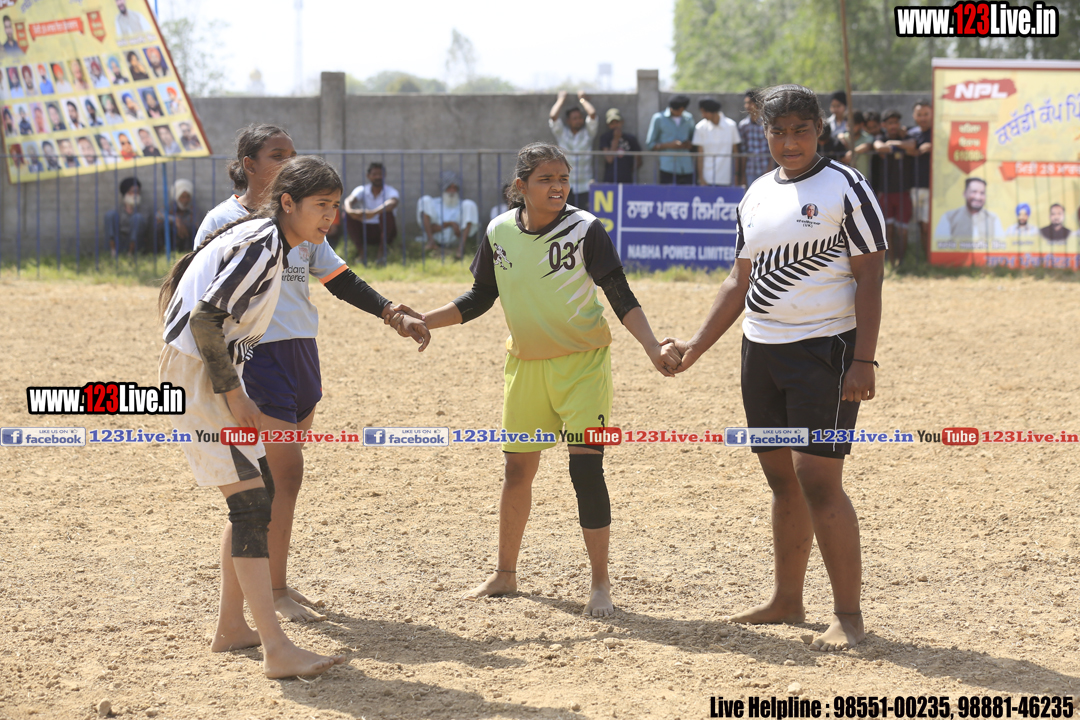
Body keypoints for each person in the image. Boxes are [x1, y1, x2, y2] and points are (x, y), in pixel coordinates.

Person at [663, 83, 886, 652]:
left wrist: (863, 360)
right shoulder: (757, 193)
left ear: (819, 130)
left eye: (800, 131)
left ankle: (849, 617)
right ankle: (788, 600)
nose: (789, 142)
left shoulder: (847, 187)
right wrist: (694, 346)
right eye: (778, 132)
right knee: (781, 479)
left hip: (826, 352)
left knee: (818, 480)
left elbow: (870, 277)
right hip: (760, 351)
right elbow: (738, 281)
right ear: (764, 133)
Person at [417, 142, 680, 617]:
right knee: (517, 471)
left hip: (583, 367)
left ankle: (600, 584)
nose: (558, 186)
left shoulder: (586, 229)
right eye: (546, 179)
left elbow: (620, 294)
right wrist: (424, 320)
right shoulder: (499, 231)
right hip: (526, 367)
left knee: (586, 470)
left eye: (563, 178)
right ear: (521, 186)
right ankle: (505, 574)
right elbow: (480, 296)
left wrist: (651, 346)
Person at [194, 124, 428, 622]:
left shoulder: (305, 220)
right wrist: (225, 381)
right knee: (271, 481)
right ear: (249, 164)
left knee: (284, 483)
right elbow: (203, 303)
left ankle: (275, 584)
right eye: (277, 154)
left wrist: (391, 312)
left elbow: (339, 278)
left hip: (301, 353)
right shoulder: (225, 221)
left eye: (292, 154)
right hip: (256, 357)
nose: (288, 161)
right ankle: (259, 603)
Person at [156, 155, 351, 678]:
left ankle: (231, 628)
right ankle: (275, 648)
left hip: (210, 367)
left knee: (254, 497)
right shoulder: (263, 246)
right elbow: (204, 321)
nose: (330, 217)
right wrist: (236, 396)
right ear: (287, 203)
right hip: (200, 373)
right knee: (251, 505)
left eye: (335, 206)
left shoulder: (270, 239)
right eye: (321, 205)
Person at [872, 110, 915, 266]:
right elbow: (879, 147)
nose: (893, 126)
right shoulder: (880, 138)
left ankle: (901, 262)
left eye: (896, 122)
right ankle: (891, 262)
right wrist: (900, 148)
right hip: (886, 192)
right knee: (888, 229)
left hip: (903, 191)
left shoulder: (905, 137)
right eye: (890, 123)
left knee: (902, 229)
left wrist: (892, 145)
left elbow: (912, 145)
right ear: (884, 125)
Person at [548, 91, 598, 208]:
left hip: (585, 186)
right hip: (565, 186)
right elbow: (553, 116)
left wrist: (582, 100)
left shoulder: (588, 133)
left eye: (580, 118)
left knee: (584, 217)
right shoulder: (562, 134)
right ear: (568, 121)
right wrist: (561, 99)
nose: (578, 120)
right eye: (575, 118)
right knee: (564, 216)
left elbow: (592, 114)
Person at [343, 161, 400, 262]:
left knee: (387, 214)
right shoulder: (362, 189)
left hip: (384, 231)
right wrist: (350, 211)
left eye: (380, 174)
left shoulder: (391, 191)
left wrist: (373, 213)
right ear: (368, 176)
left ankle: (381, 254)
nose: (378, 177)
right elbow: (348, 200)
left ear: (385, 175)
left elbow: (393, 202)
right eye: (374, 174)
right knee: (346, 215)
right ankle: (361, 253)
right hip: (365, 231)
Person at [418, 171, 479, 261]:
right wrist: (450, 224)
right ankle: (431, 242)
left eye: (455, 188)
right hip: (437, 239)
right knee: (425, 199)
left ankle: (461, 248)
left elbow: (459, 233)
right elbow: (431, 228)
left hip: (455, 241)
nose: (452, 191)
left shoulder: (463, 206)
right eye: (449, 187)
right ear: (443, 188)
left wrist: (446, 226)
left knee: (469, 204)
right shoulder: (433, 204)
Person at [933, 177, 1004, 250]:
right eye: (974, 192)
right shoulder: (949, 217)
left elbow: (1001, 246)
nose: (978, 197)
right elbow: (940, 245)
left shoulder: (993, 218)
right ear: (964, 194)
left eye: (982, 193)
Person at [646, 95, 695, 184]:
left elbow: (693, 140)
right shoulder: (659, 118)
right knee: (667, 193)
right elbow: (650, 144)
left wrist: (688, 144)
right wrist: (669, 145)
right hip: (668, 167)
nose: (678, 112)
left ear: (683, 109)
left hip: (686, 167)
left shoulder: (689, 118)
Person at [693, 97, 740, 186]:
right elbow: (700, 155)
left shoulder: (731, 126)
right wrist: (701, 178)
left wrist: (736, 176)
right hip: (707, 179)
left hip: (727, 179)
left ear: (713, 111)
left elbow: (736, 153)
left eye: (705, 112)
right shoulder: (700, 127)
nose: (703, 115)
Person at [908, 100, 933, 260]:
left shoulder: (937, 134)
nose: (923, 118)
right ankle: (925, 259)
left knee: (926, 226)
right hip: (914, 186)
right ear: (914, 116)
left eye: (926, 114)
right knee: (919, 224)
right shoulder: (910, 135)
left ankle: (931, 258)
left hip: (932, 188)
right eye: (919, 114)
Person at [105, 176, 152, 255]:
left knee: (137, 218)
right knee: (109, 215)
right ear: (125, 193)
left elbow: (142, 228)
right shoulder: (118, 209)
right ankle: (112, 252)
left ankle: (131, 254)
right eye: (132, 192)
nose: (135, 195)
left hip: (136, 243)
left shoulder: (144, 209)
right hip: (120, 241)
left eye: (137, 192)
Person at [738, 89, 774, 186]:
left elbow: (772, 147)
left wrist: (770, 168)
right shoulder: (743, 125)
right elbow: (743, 151)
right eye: (746, 103)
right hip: (750, 169)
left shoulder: (767, 123)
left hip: (766, 168)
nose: (747, 106)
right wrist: (742, 175)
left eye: (750, 103)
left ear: (757, 104)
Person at [598, 108, 641, 185]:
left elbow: (638, 160)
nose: (615, 125)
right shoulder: (605, 138)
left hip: (627, 180)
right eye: (612, 123)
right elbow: (609, 159)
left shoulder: (631, 139)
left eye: (617, 122)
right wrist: (616, 139)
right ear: (608, 125)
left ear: (622, 122)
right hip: (610, 180)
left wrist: (627, 170)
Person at [157, 178, 197, 251]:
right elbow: (158, 215)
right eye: (182, 197)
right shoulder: (169, 206)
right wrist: (175, 220)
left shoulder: (193, 209)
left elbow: (197, 224)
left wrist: (183, 225)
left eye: (187, 197)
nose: (185, 200)